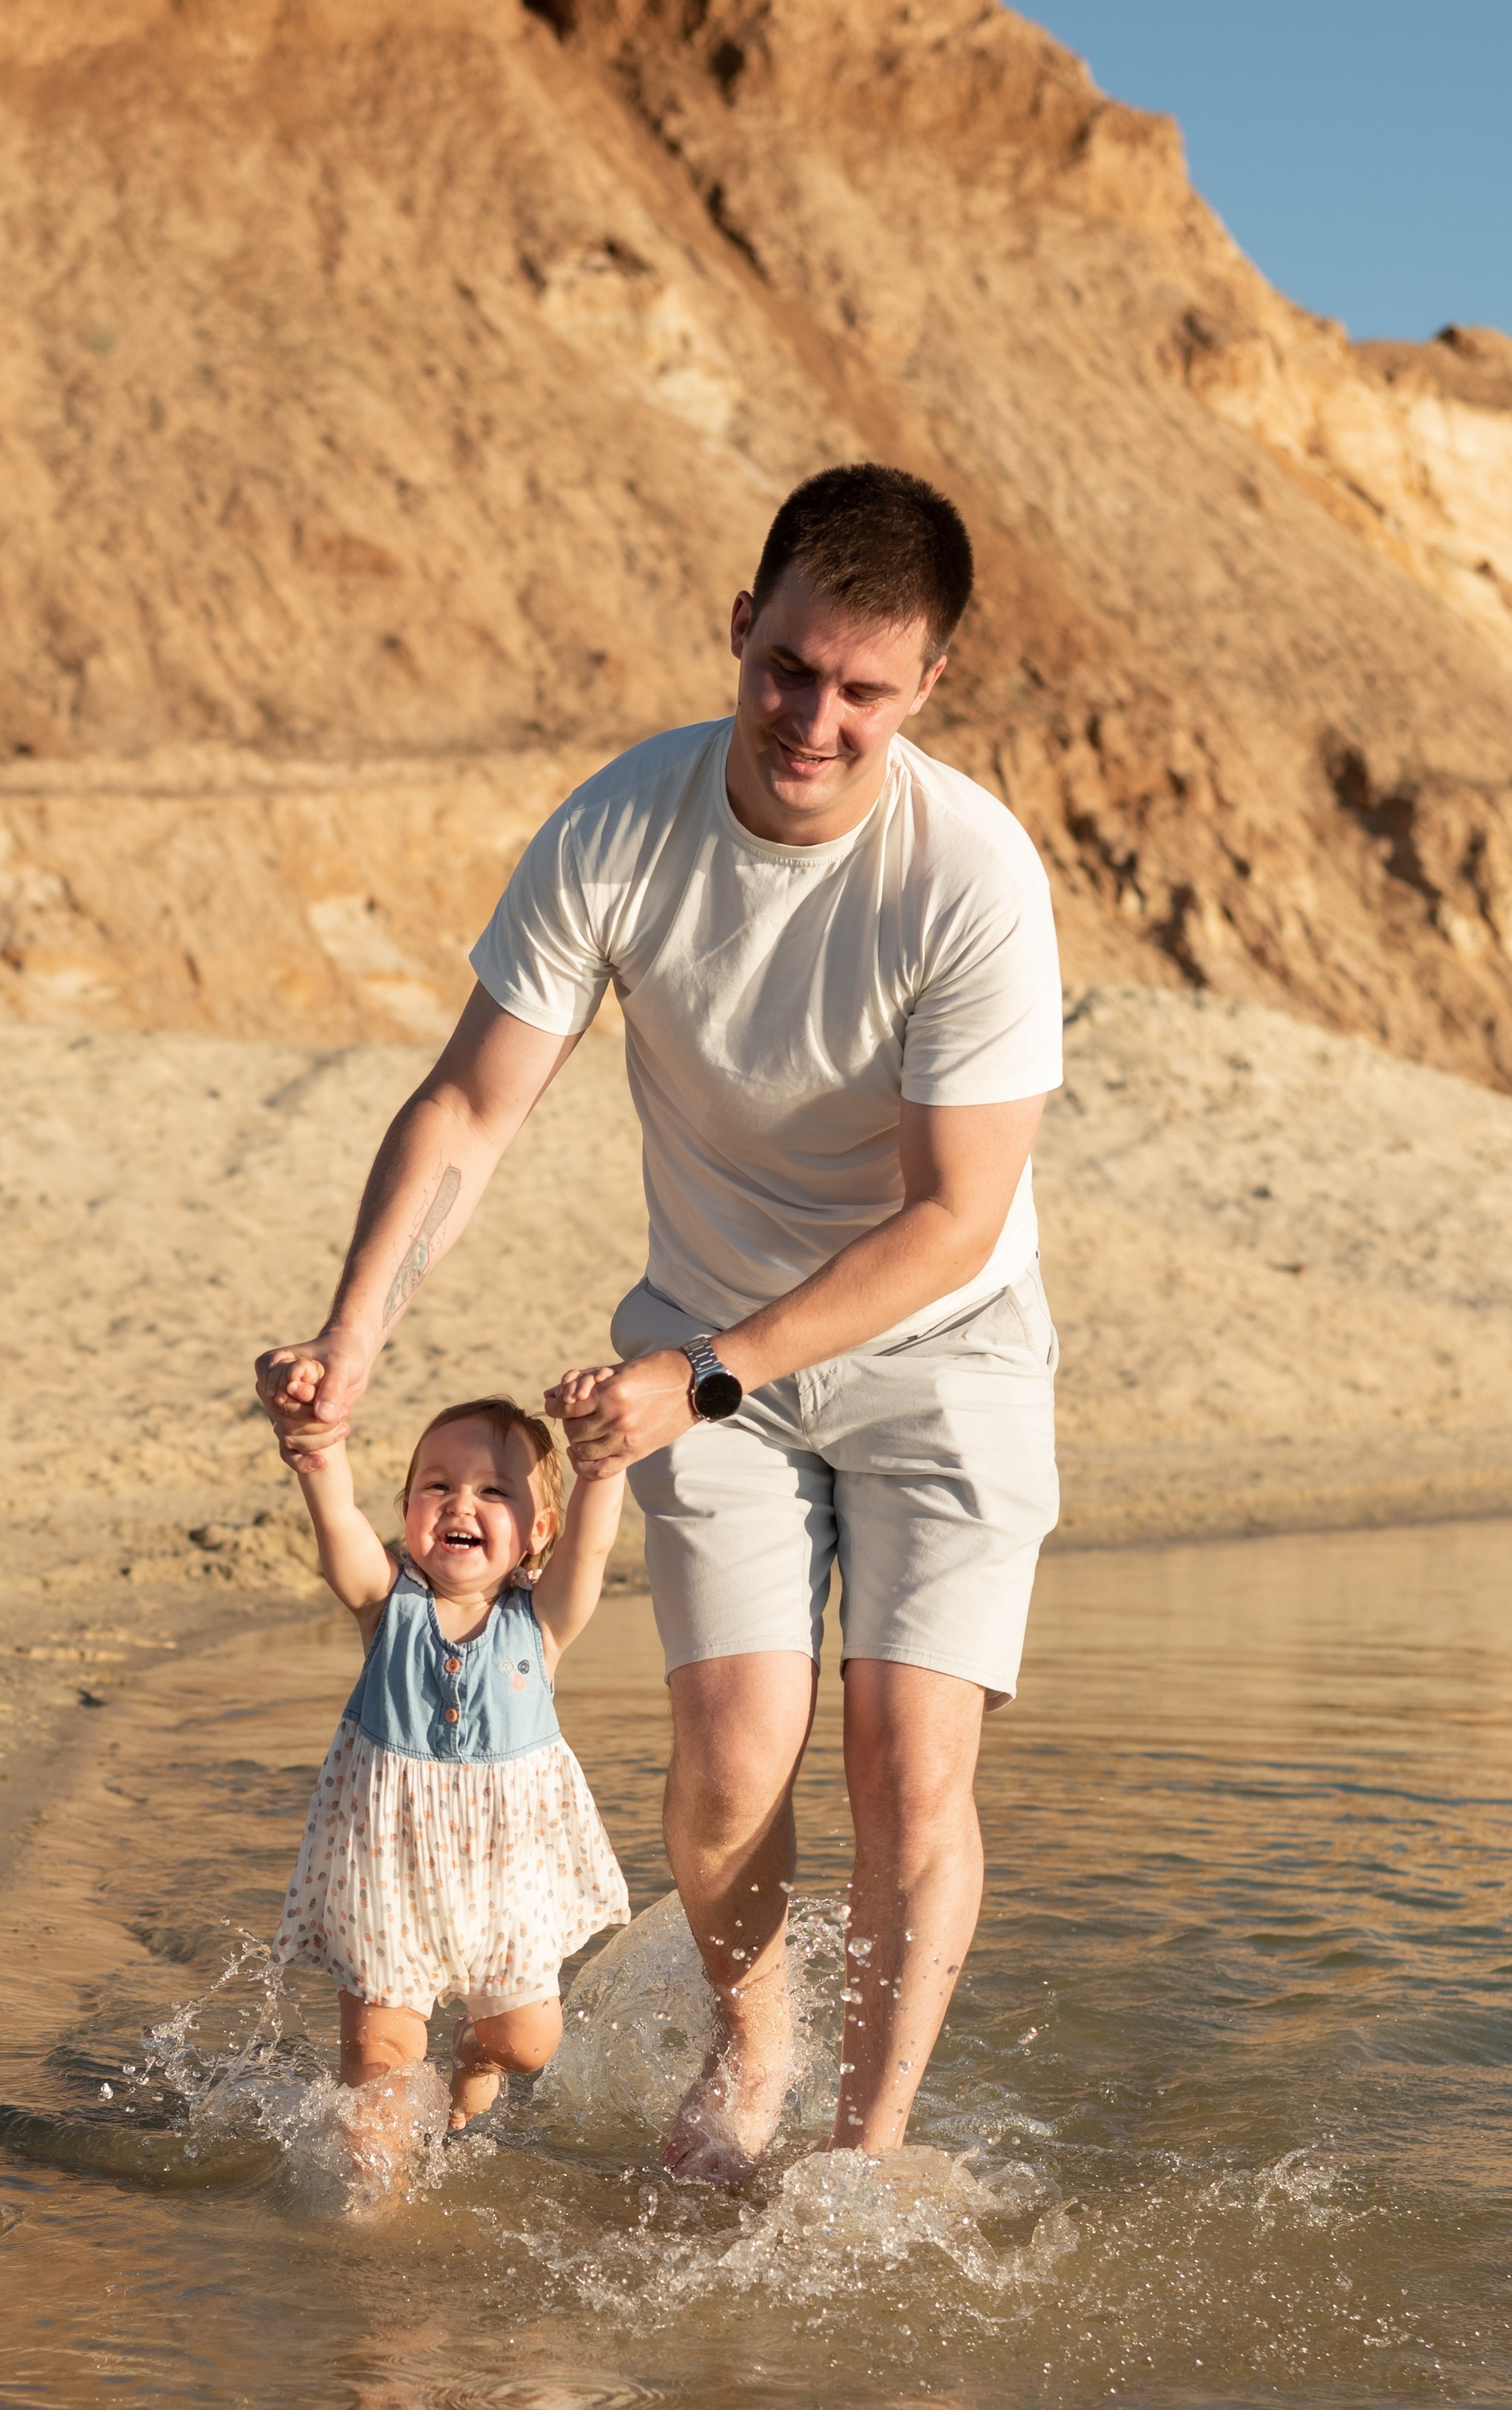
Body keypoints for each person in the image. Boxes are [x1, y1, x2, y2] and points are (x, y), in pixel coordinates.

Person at [259, 461, 1062, 2186]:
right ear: (741, 628)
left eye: (864, 691)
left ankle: (862, 2152)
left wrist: (703, 1373)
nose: (814, 722)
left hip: (937, 1352)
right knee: (728, 1767)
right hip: (706, 1351)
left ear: (928, 686)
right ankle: (755, 2045)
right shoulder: (623, 826)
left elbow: (950, 1217)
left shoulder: (972, 877)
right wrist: (357, 1333)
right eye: (789, 669)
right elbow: (471, 1106)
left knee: (905, 1764)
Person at [271, 1391, 630, 2154]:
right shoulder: (385, 1604)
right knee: (377, 2061)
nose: (461, 1503)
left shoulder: (542, 1620)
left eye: (494, 1490)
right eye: (437, 1485)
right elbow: (338, 1524)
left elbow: (592, 1551)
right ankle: (377, 2196)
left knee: (526, 2043)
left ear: (539, 1532)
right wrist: (316, 1450)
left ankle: (472, 2050)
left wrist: (603, 1465)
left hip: (508, 1876)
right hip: (389, 1872)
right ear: (406, 1511)